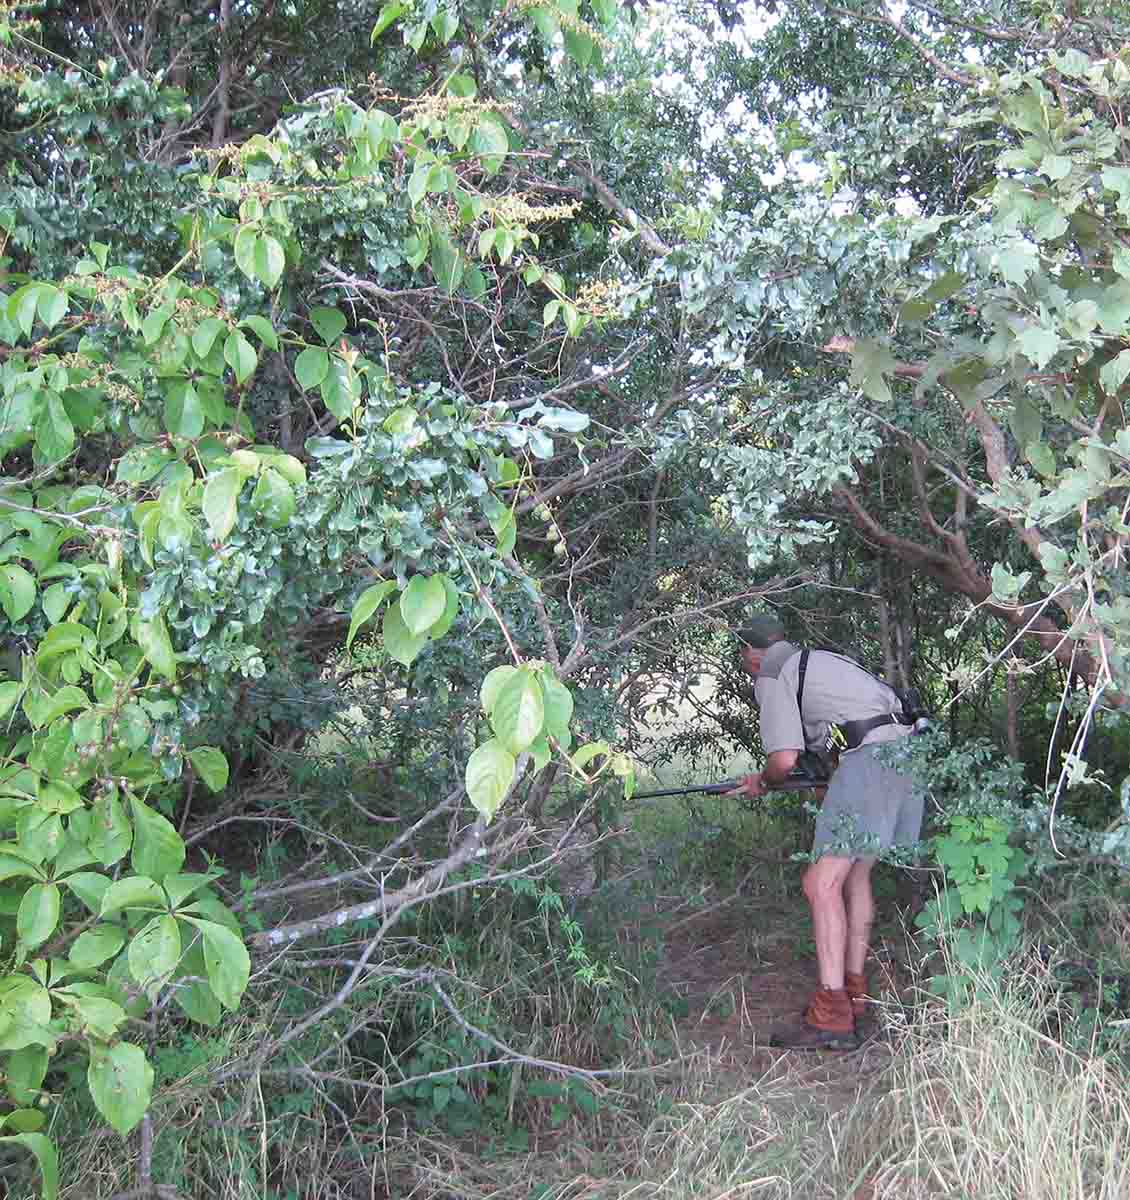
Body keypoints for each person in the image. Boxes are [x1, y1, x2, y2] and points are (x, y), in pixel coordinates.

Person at [729, 614, 923, 1050]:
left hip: (872, 759)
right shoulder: (816, 662)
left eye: (743, 656)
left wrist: (763, 781)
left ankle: (831, 1015)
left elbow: (783, 758)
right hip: (909, 753)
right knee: (855, 876)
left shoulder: (773, 675)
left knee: (820, 883)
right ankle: (853, 995)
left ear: (752, 655)